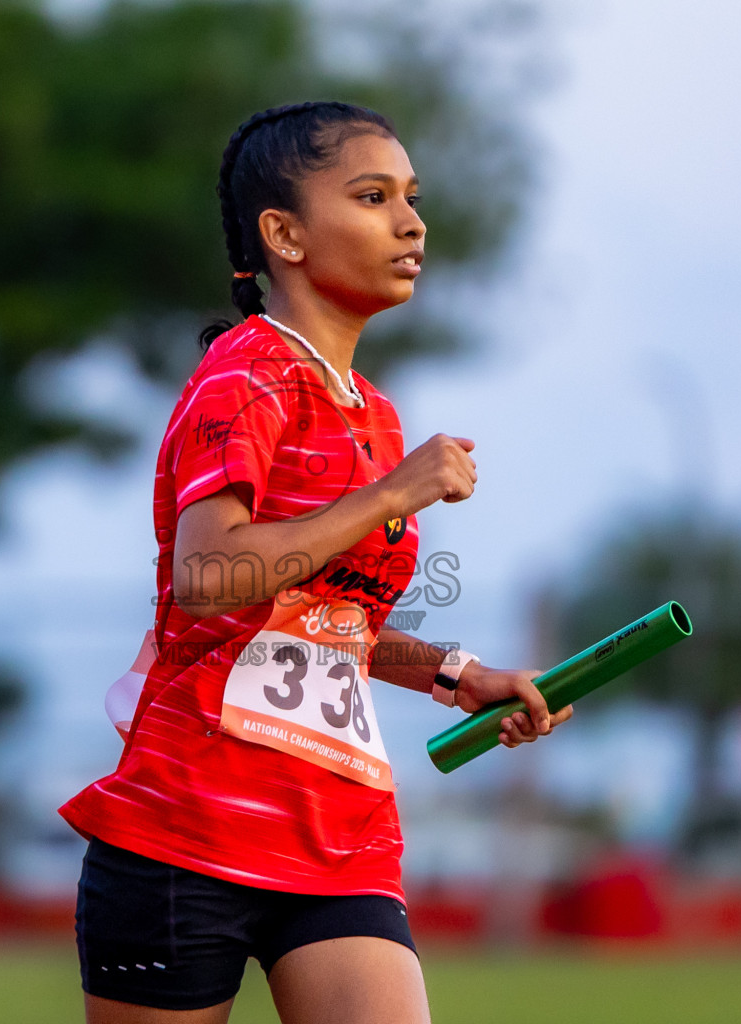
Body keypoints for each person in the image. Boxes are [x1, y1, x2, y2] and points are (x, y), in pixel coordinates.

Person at [59, 101, 573, 1024]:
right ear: (284, 235)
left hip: (342, 839)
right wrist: (389, 495)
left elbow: (325, 621)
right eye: (374, 198)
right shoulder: (248, 372)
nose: (411, 224)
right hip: (188, 830)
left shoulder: (375, 413)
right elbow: (208, 578)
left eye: (412, 198)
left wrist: (460, 675)